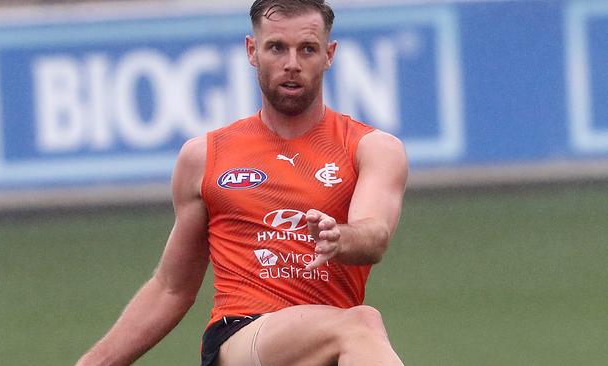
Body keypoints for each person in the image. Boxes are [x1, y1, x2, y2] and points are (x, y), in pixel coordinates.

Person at [76, 0, 408, 365]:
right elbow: (172, 287)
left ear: (329, 55)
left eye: (307, 49)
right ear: (252, 51)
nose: (292, 64)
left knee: (357, 328)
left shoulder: (371, 149)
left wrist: (340, 238)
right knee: (362, 322)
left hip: (325, 348)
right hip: (241, 337)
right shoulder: (205, 156)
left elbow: (374, 235)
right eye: (277, 47)